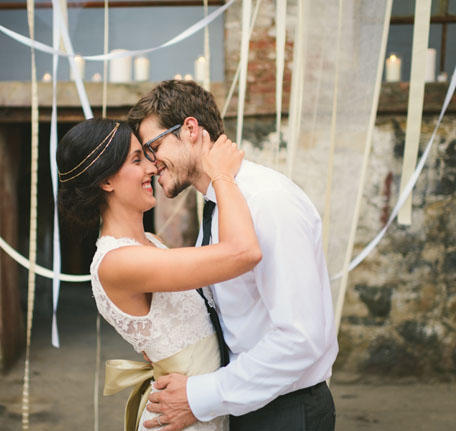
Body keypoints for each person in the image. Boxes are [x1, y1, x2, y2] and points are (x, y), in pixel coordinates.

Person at [127, 80, 339, 431]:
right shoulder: (218, 204)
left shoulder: (266, 201)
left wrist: (200, 397)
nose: (151, 165)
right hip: (248, 404)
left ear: (190, 129)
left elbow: (301, 337)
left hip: (287, 413)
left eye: (153, 147)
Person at [56, 118, 261, 431]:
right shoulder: (118, 262)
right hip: (183, 419)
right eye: (137, 160)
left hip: (200, 404)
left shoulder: (154, 243)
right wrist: (221, 175)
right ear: (106, 181)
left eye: (147, 157)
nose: (152, 168)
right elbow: (242, 253)